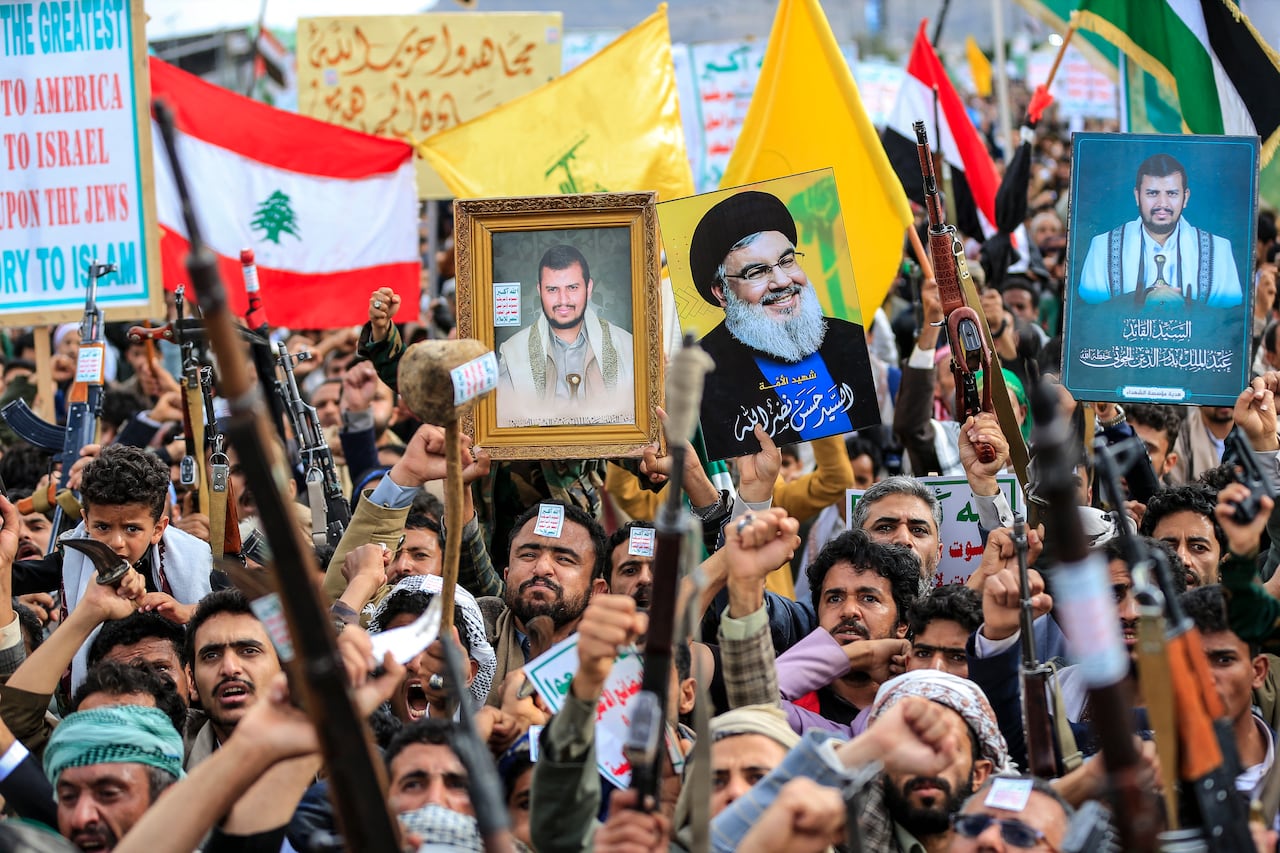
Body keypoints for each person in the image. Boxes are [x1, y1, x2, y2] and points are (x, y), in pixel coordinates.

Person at [687, 190, 878, 460]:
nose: (782, 281)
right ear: (721, 292)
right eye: (757, 271)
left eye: (787, 261)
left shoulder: (849, 338)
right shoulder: (697, 371)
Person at [1079, 153, 1243, 308]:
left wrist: (1182, 306)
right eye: (1152, 193)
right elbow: (1091, 314)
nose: (1162, 203)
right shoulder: (1102, 247)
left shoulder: (1219, 250)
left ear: (1185, 198)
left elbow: (1228, 320)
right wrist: (1143, 301)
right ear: (1137, 196)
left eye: (1172, 193)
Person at [496, 244, 635, 426]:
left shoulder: (628, 347)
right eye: (552, 289)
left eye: (572, 287)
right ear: (540, 291)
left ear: (589, 288)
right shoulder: (512, 352)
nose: (563, 300)